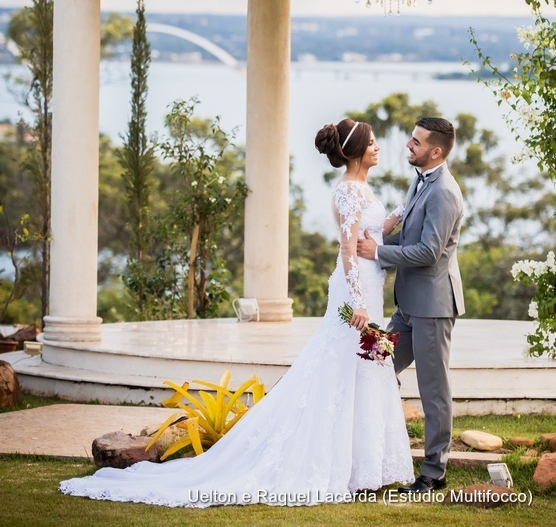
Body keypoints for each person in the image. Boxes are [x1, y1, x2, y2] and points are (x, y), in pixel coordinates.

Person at [59, 119, 413, 507]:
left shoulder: (362, 188)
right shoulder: (348, 190)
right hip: (354, 289)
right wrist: (358, 302)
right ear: (355, 150)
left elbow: (376, 229)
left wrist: (406, 203)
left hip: (369, 285)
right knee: (342, 369)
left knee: (363, 368)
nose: (379, 148)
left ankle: (362, 467)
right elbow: (348, 248)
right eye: (373, 142)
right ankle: (333, 465)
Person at [357, 116, 464, 494]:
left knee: (433, 390)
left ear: (436, 151)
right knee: (374, 362)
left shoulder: (445, 192)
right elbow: (412, 233)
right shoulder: (420, 182)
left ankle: (434, 473)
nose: (408, 145)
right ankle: (372, 454)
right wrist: (376, 235)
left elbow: (430, 251)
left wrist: (378, 253)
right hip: (407, 307)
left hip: (433, 307)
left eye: (416, 142)